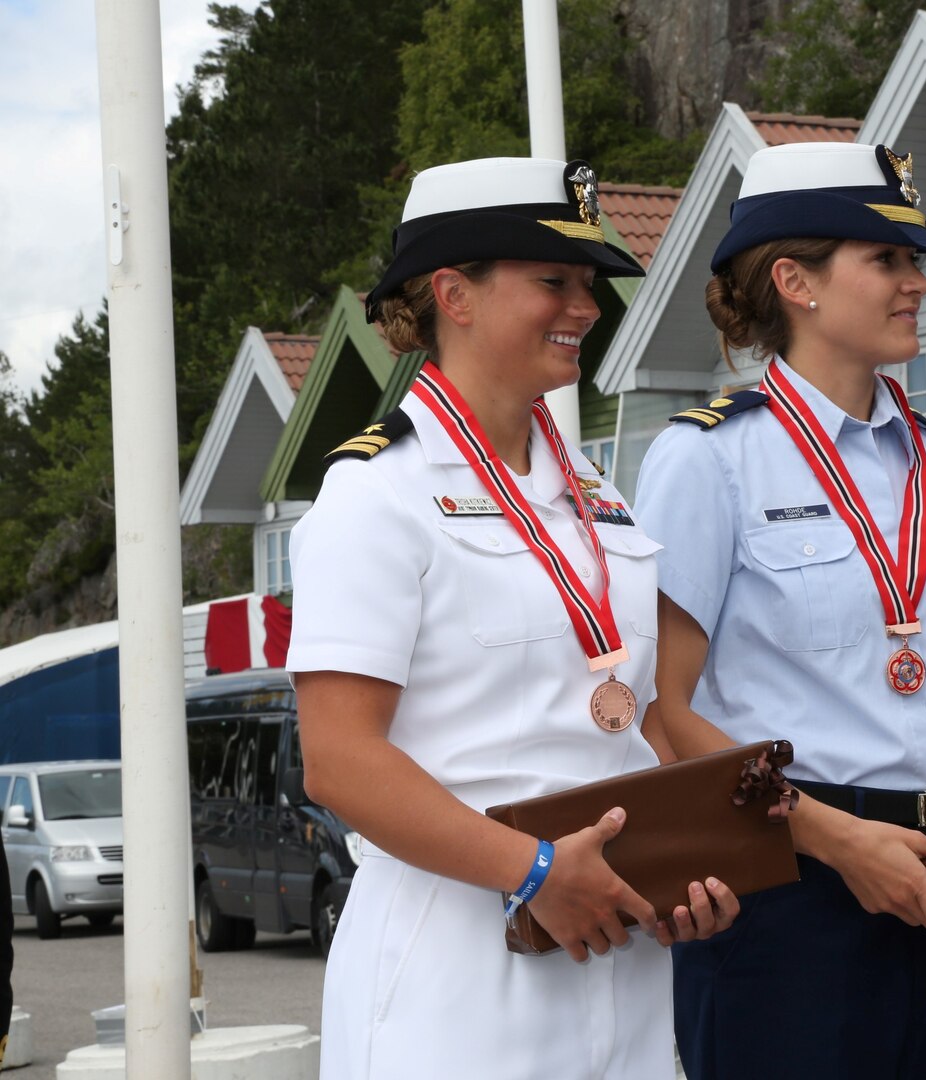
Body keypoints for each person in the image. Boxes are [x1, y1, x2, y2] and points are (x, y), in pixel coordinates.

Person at [633, 142, 926, 1080]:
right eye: (887, 259)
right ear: (794, 281)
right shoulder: (708, 459)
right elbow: (663, 709)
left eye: (916, 261)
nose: (916, 283)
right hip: (790, 888)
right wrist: (835, 840)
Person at [286, 156, 738, 1080]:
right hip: (456, 967)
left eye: (590, 284)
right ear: (453, 293)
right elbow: (339, 758)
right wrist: (533, 870)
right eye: (554, 281)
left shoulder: (595, 494)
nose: (586, 306)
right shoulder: (376, 493)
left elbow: (632, 717)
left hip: (622, 957)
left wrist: (692, 865)